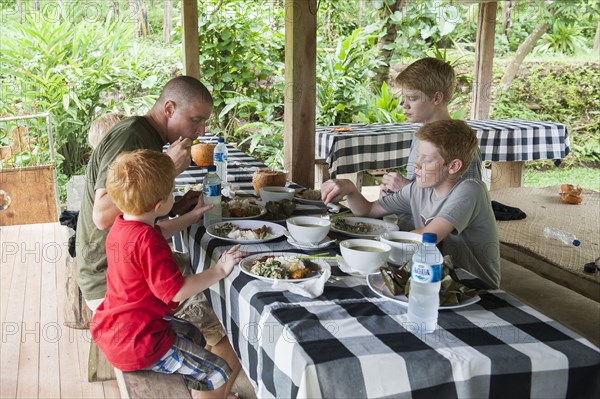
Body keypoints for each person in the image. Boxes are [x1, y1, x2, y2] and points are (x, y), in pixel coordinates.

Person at [76, 76, 226, 345]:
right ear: (169, 109)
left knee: (207, 269)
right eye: (195, 120)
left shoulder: (147, 135)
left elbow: (134, 210)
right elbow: (102, 216)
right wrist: (167, 167)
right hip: (110, 283)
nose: (201, 130)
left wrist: (179, 207)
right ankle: (207, 382)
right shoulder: (132, 136)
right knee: (228, 322)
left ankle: (201, 378)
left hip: (126, 269)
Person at [91, 149, 244, 399]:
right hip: (139, 344)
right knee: (218, 371)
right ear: (161, 204)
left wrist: (193, 215)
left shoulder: (123, 225)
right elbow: (176, 291)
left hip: (118, 329)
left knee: (193, 333)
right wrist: (219, 269)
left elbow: (160, 229)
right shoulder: (148, 241)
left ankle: (193, 377)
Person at [322, 120, 500, 289]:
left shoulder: (470, 190)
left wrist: (375, 245)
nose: (417, 165)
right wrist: (350, 189)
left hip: (473, 286)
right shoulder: (419, 188)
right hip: (430, 278)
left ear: (453, 166)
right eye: (417, 157)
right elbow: (368, 211)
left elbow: (427, 237)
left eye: (427, 160)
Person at [380, 57, 482, 195]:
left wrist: (405, 188)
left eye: (413, 98)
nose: (404, 105)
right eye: (404, 98)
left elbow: (467, 199)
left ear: (436, 98)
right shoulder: (422, 134)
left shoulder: (459, 142)